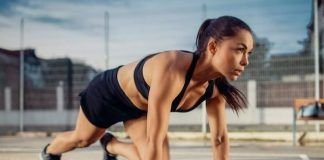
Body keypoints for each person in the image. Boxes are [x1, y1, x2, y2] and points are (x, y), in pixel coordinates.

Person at [40, 15, 254, 160]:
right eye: (239, 50)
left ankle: (110, 146)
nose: (245, 61)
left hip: (140, 109)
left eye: (249, 54)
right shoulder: (171, 68)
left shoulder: (216, 91)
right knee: (83, 139)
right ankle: (49, 152)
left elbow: (219, 139)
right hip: (108, 94)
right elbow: (155, 139)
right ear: (213, 46)